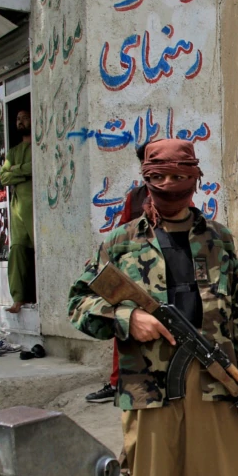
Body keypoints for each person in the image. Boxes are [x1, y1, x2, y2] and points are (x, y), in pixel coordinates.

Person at [68, 139, 238, 476]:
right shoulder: (122, 242)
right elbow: (78, 305)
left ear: (196, 178)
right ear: (145, 179)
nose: (169, 184)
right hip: (149, 391)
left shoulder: (219, 240)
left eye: (179, 175)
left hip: (214, 387)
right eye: (158, 176)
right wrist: (127, 319)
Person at [86, 148, 150, 403]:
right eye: (146, 162)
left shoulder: (179, 195)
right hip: (135, 274)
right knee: (123, 323)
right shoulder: (135, 197)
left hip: (168, 277)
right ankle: (117, 383)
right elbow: (121, 234)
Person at [0, 109, 35, 314]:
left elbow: (36, 166)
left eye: (25, 118)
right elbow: (3, 177)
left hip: (35, 208)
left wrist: (16, 169)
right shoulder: (12, 152)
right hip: (18, 210)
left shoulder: (37, 146)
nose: (21, 122)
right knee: (18, 250)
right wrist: (23, 170)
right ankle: (18, 299)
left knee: (39, 252)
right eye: (18, 119)